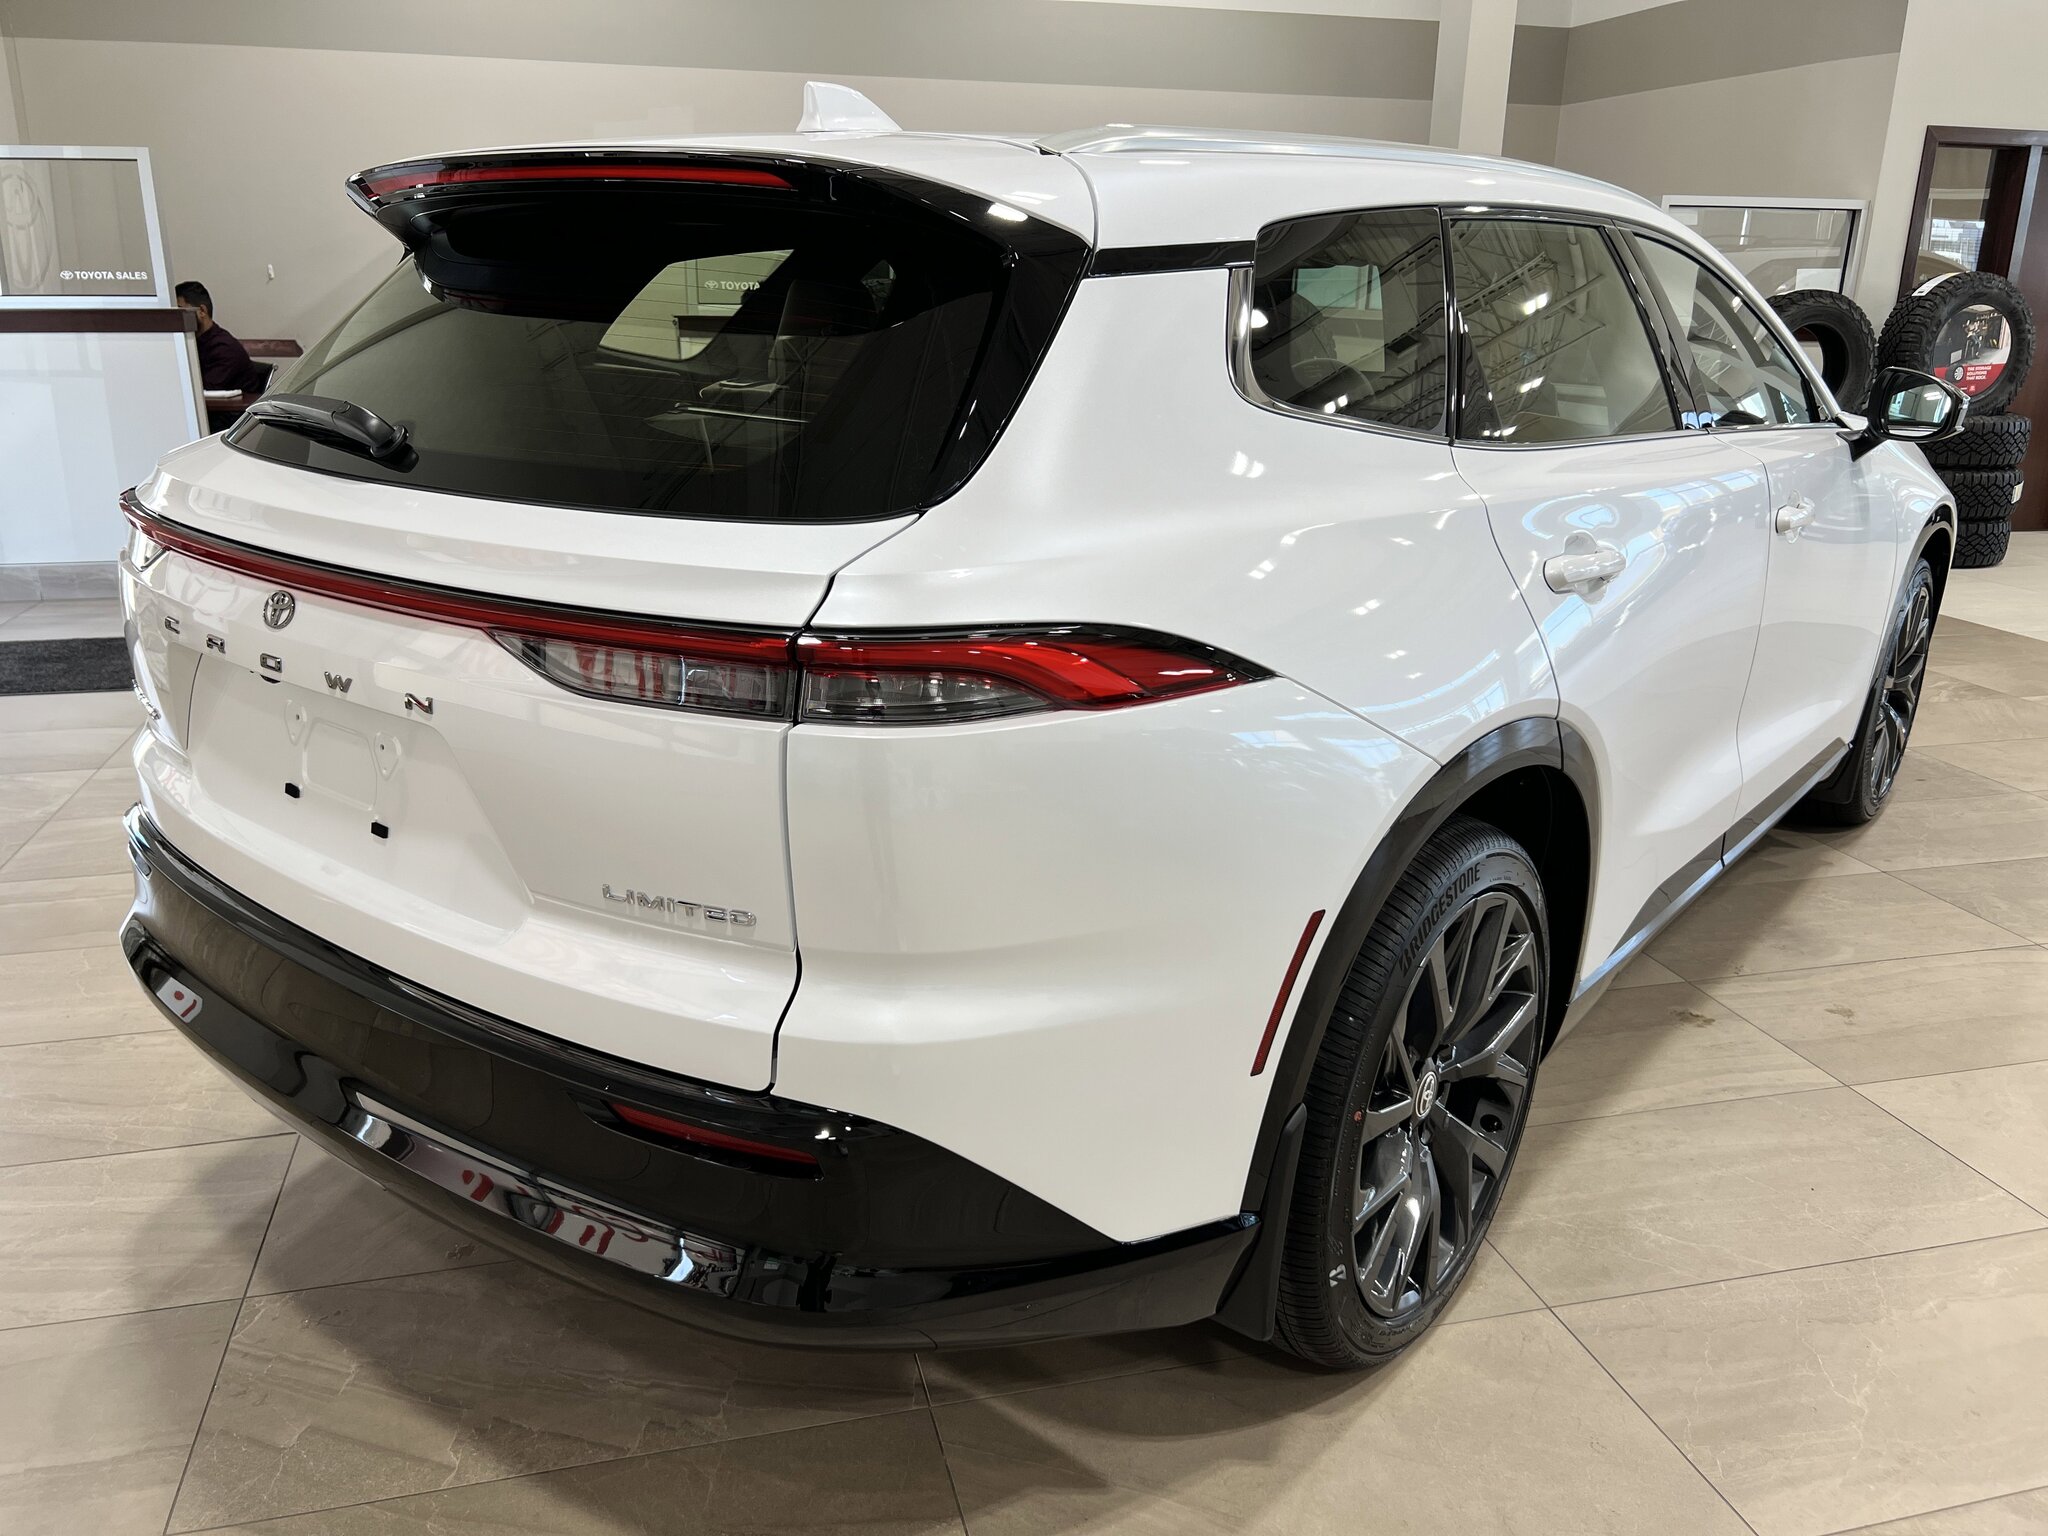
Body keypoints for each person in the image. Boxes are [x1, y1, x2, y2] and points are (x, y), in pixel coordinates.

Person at [175, 280, 268, 393]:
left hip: (235, 404)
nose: (175, 317)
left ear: (202, 311)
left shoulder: (224, 348)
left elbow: (204, 390)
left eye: (180, 310)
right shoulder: (193, 343)